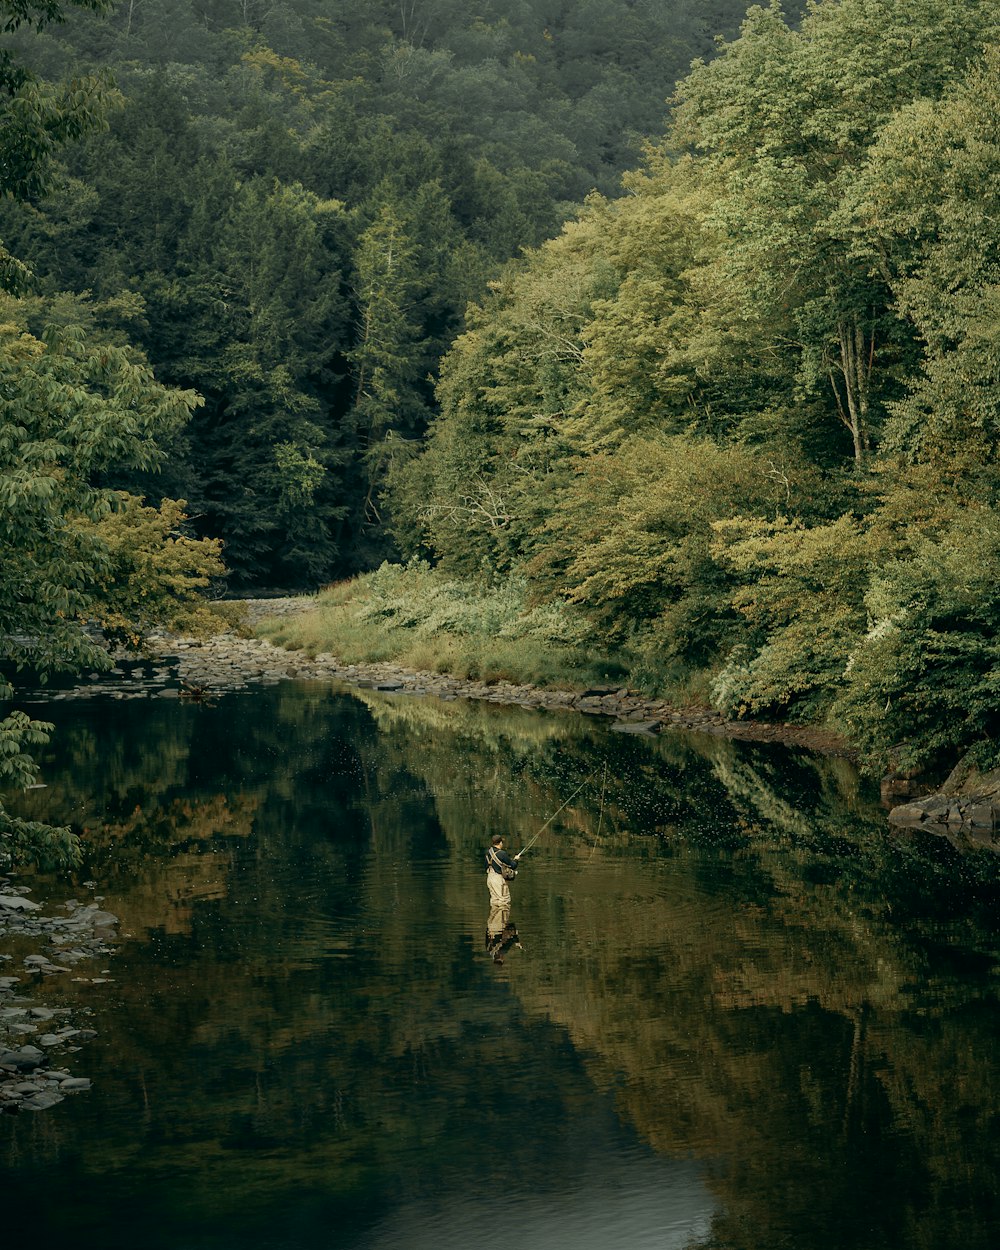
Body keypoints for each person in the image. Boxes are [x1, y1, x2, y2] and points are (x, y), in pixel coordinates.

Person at [485, 834, 520, 937]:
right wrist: (516, 859)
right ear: (500, 843)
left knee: (495, 901)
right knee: (504, 901)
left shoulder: (487, 853)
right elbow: (513, 865)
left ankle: (494, 928)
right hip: (497, 880)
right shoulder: (502, 854)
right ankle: (500, 927)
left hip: (489, 878)